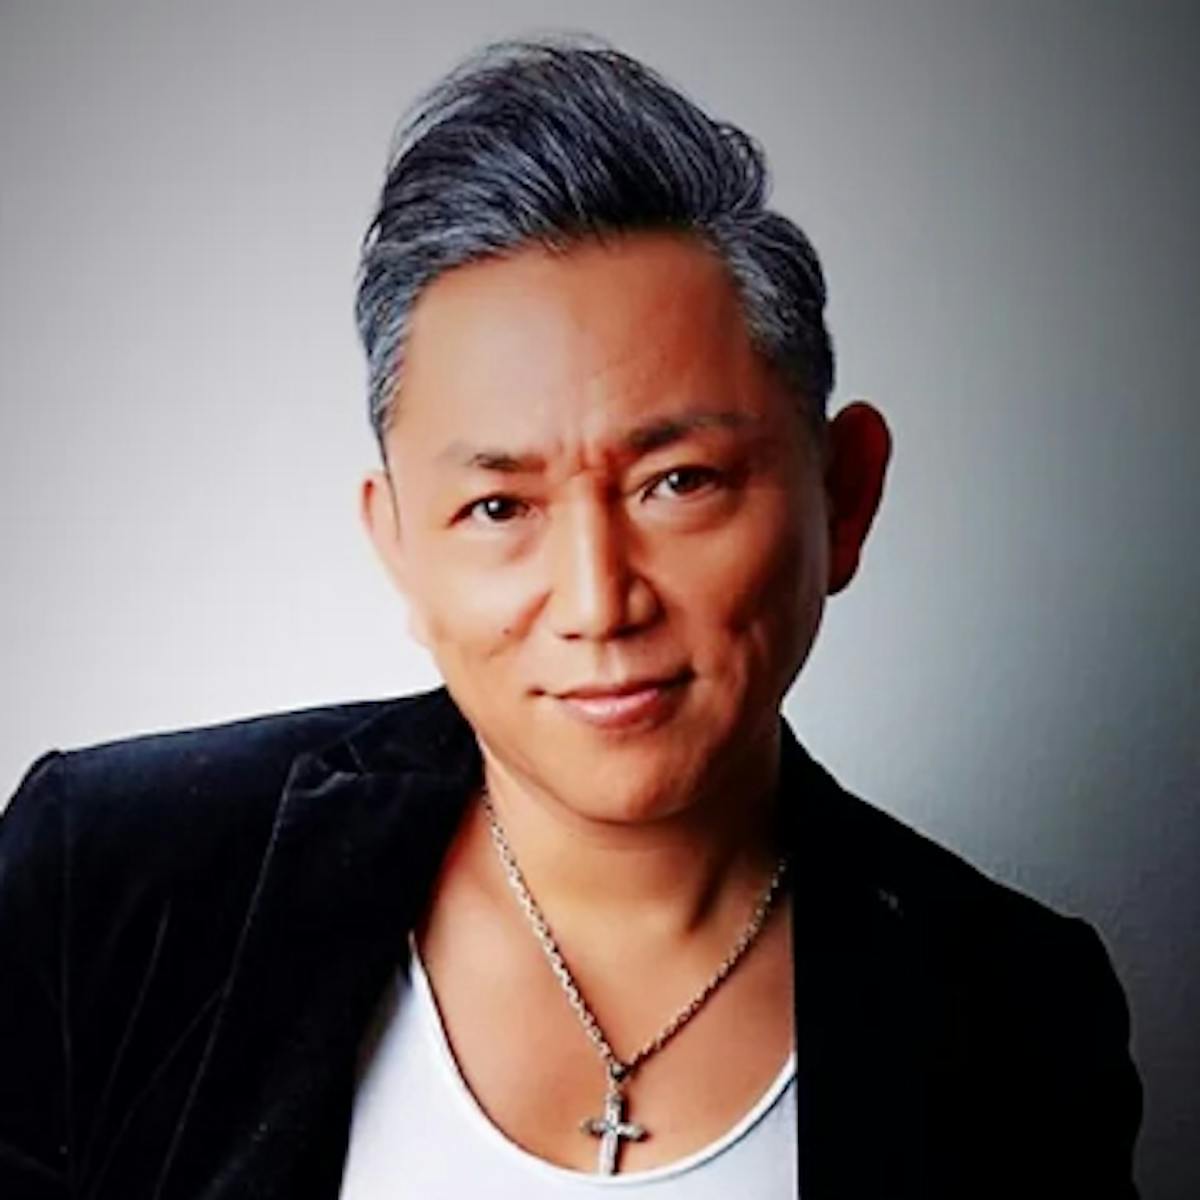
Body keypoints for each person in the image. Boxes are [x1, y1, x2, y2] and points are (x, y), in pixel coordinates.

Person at [0, 35, 1141, 1200]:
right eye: (500, 506)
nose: (600, 602)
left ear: (844, 494)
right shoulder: (111, 882)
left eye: (679, 483)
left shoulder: (1018, 1016)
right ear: (400, 548)